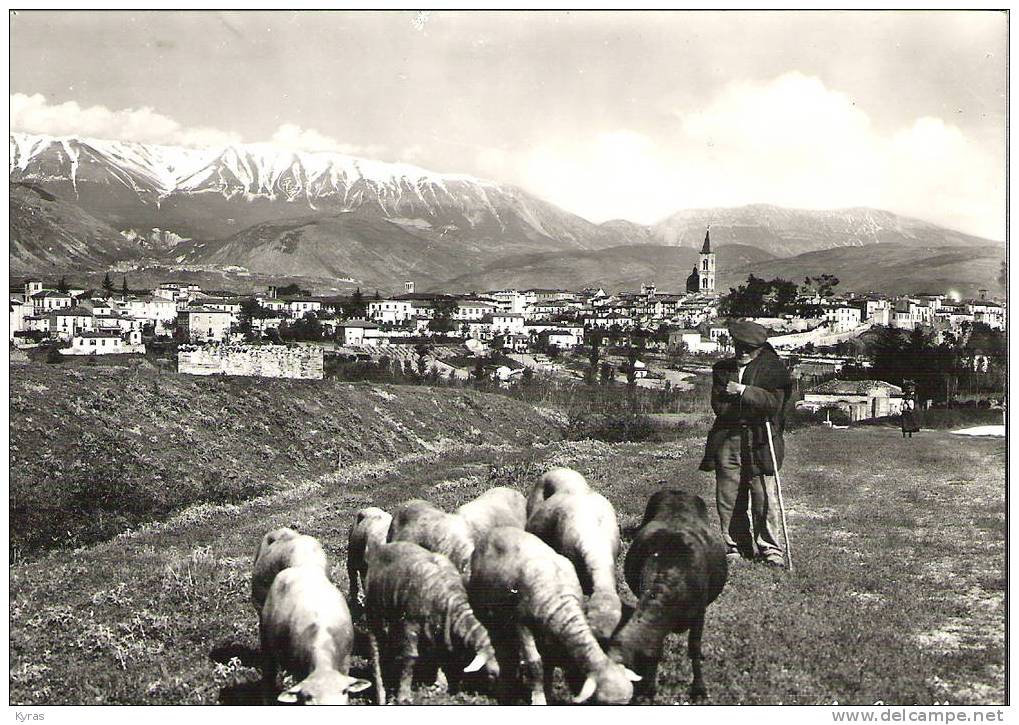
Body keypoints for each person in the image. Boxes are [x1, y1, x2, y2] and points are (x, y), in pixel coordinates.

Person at [699, 320, 793, 568]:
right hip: (728, 439)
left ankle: (771, 549)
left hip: (761, 439)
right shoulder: (722, 369)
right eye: (738, 346)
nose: (742, 352)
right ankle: (735, 547)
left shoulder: (773, 369)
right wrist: (752, 404)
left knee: (763, 494)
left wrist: (742, 391)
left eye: (748, 348)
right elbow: (720, 407)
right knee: (728, 495)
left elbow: (774, 404)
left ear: (760, 348)